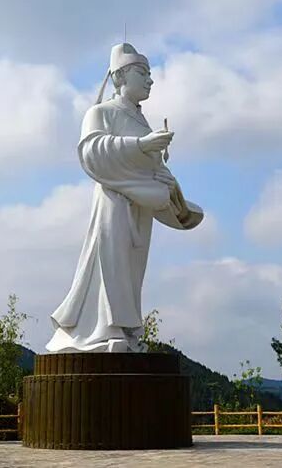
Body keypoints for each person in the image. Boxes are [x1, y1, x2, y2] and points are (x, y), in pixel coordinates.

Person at [46, 43, 203, 353]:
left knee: (131, 269)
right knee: (111, 262)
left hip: (140, 207)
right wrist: (141, 145)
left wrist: (170, 187)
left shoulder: (142, 123)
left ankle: (126, 330)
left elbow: (153, 170)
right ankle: (106, 328)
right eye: (142, 73)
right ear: (120, 76)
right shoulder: (101, 113)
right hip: (114, 201)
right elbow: (92, 151)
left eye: (149, 73)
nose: (150, 80)